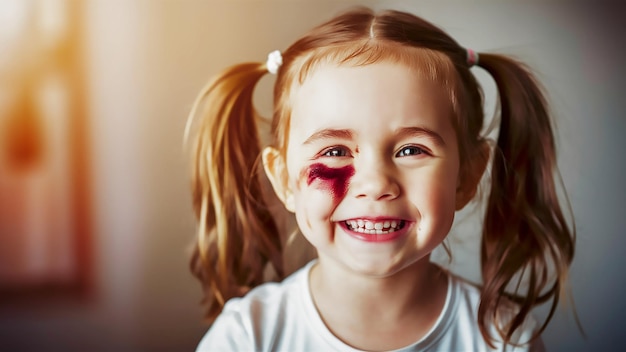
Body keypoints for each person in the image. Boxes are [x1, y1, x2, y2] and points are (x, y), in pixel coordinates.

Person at [186, 7, 574, 351]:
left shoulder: (503, 339)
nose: (374, 184)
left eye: (411, 150)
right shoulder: (247, 336)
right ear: (284, 180)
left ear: (467, 175)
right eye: (335, 151)